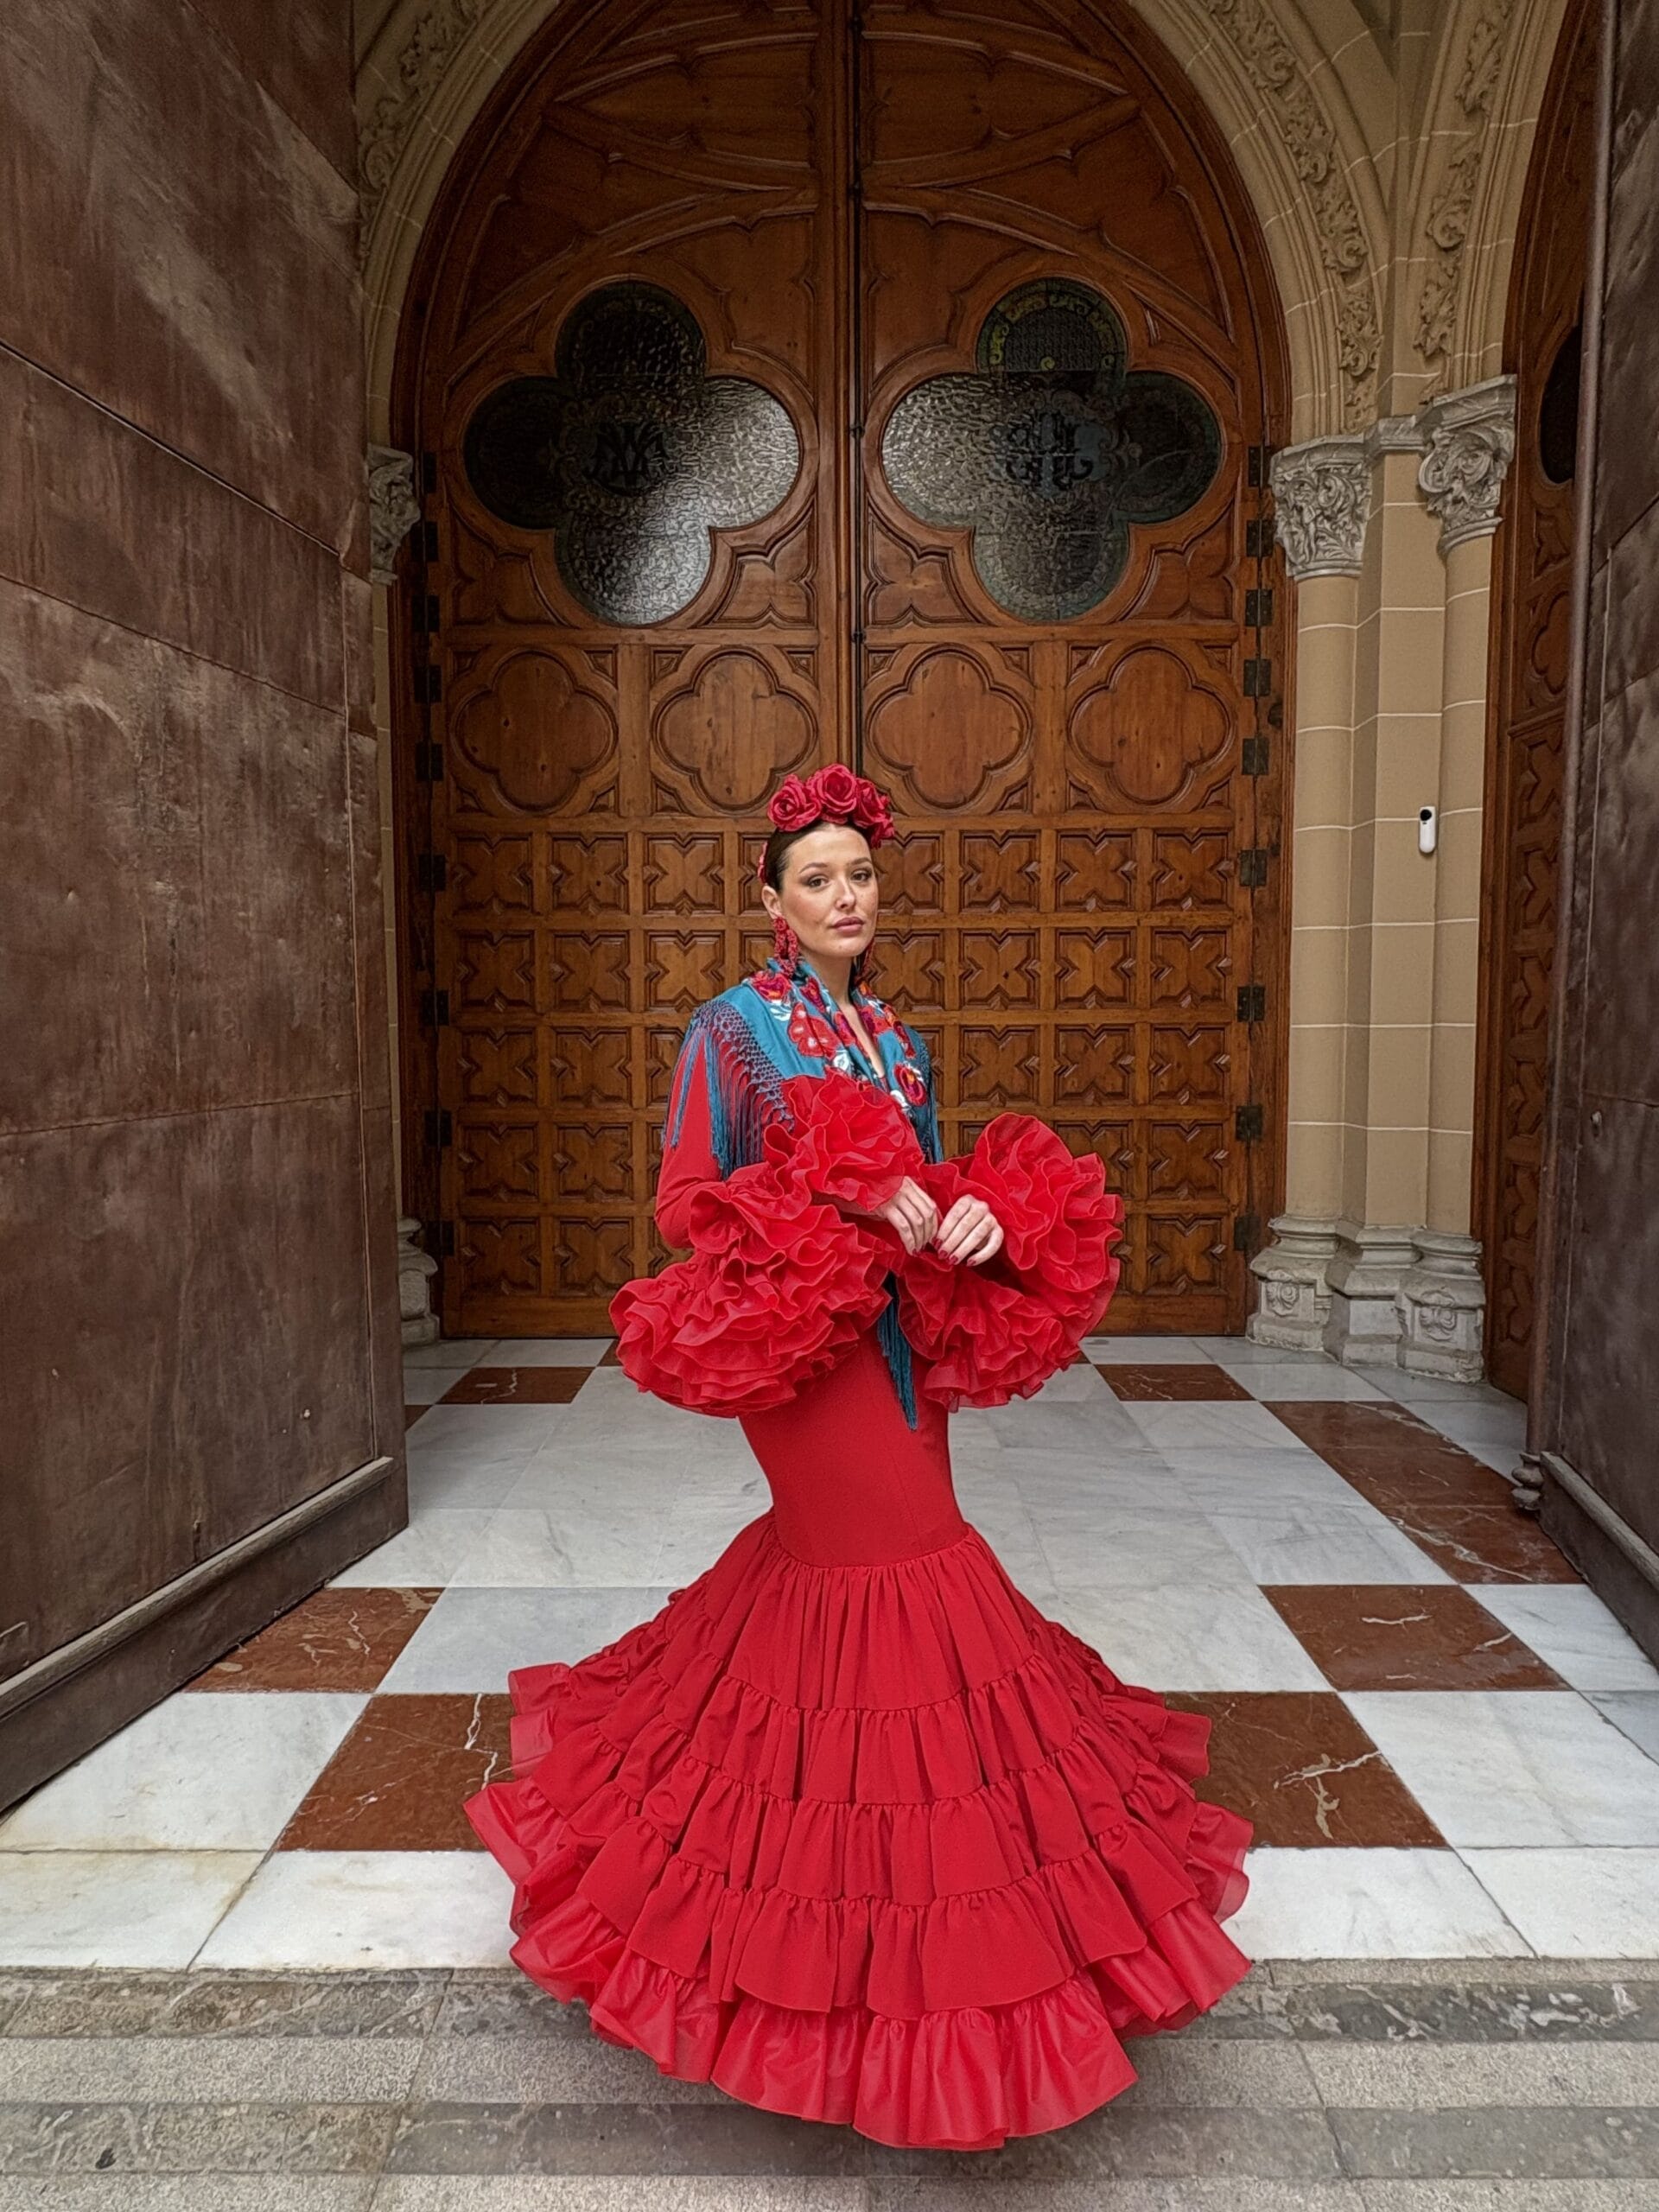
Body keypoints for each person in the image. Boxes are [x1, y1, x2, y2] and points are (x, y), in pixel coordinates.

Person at [464, 766, 1253, 2151]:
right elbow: (688, 1203)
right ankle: (876, 1939)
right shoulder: (733, 1033)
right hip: (802, 1358)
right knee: (896, 1578)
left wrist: (970, 1222)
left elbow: (931, 1176)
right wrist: (832, 1186)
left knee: (862, 1598)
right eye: (818, 878)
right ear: (768, 900)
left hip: (899, 1350)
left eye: (861, 877)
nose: (846, 898)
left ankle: (872, 1905)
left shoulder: (894, 1037)